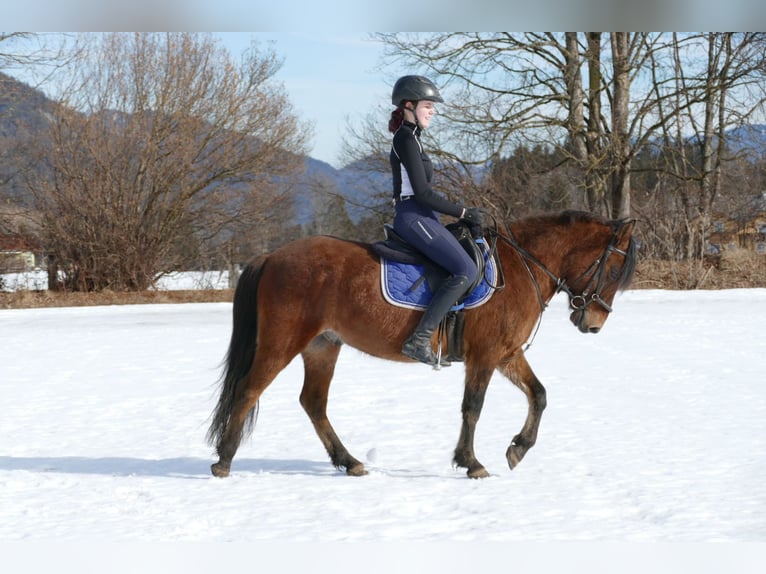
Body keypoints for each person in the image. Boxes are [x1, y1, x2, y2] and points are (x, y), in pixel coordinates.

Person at [389, 75, 484, 367]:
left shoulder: (414, 139)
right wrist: (464, 213)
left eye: (433, 106)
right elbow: (423, 193)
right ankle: (419, 340)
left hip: (424, 215)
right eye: (428, 105)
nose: (433, 111)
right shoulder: (405, 139)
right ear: (409, 104)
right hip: (413, 216)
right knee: (465, 269)